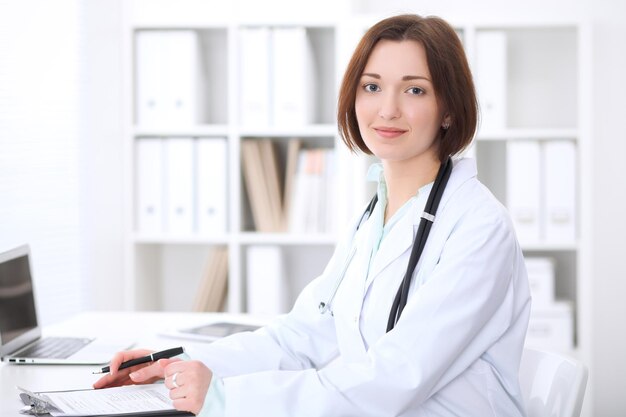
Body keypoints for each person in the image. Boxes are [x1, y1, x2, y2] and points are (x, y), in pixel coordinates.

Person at [95, 14, 531, 416]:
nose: (388, 109)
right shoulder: (374, 217)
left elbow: (398, 373)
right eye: (372, 86)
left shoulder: (479, 226)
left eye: (414, 89)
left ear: (449, 109)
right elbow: (302, 337)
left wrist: (227, 399)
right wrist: (177, 365)